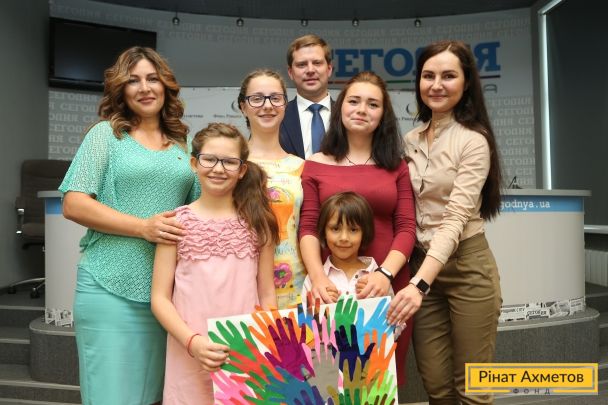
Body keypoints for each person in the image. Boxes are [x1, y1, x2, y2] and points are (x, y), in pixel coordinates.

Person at [59, 47, 198, 404]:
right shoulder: (105, 135)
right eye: (134, 81)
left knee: (151, 396)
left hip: (165, 297)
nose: (145, 88)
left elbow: (198, 211)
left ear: (166, 86)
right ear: (121, 89)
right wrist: (143, 228)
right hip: (109, 286)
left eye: (153, 79)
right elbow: (73, 203)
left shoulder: (182, 144)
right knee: (111, 396)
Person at [387, 40, 503, 404]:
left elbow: (454, 219)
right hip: (421, 266)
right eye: (428, 76)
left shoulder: (474, 141)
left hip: (467, 267)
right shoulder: (410, 139)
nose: (436, 85)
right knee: (436, 386)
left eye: (448, 76)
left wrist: (418, 285)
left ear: (466, 83)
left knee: (472, 388)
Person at [299, 71, 416, 385]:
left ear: (383, 114)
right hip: (332, 288)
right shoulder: (315, 163)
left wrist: (384, 275)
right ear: (340, 108)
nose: (362, 109)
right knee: (329, 381)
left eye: (373, 104)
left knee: (380, 382)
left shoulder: (397, 165)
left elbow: (407, 227)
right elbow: (308, 227)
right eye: (354, 101)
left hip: (387, 286)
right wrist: (318, 278)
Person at [151, 123, 279, 404]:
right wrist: (193, 342)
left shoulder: (259, 224)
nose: (218, 169)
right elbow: (159, 299)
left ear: (242, 170)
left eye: (229, 162)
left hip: (246, 353)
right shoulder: (175, 223)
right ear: (194, 163)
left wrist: (268, 342)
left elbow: (267, 293)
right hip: (188, 351)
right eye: (209, 159)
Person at [238, 69, 306, 309]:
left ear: (285, 105)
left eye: (275, 98)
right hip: (241, 287)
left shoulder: (301, 167)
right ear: (243, 107)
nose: (267, 105)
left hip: (296, 288)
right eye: (257, 98)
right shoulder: (229, 165)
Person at [301, 191, 380, 300]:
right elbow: (306, 310)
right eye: (335, 229)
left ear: (364, 233)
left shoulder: (376, 275)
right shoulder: (314, 279)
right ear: (324, 232)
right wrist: (320, 304)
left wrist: (374, 298)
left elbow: (392, 309)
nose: (344, 238)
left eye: (353, 230)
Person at [280, 34, 333, 159]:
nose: (310, 70)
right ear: (290, 72)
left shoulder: (347, 115)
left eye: (317, 63)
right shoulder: (277, 117)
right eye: (302, 64)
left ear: (329, 69)